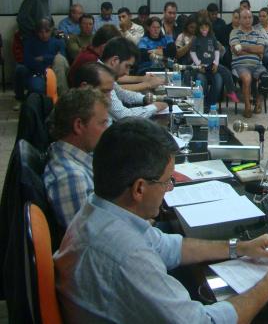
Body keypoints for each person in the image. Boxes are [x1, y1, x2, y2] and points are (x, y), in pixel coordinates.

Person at [53, 118, 268, 324]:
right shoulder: (127, 255)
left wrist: (240, 247)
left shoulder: (100, 208)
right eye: (166, 182)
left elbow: (168, 247)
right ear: (139, 188)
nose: (169, 189)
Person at [43, 87, 110, 229]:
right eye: (103, 123)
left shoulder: (60, 149)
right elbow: (89, 238)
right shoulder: (71, 178)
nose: (107, 130)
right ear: (79, 126)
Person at [102, 37, 168, 120]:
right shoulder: (100, 78)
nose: (127, 73)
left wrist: (148, 98)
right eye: (127, 66)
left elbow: (122, 94)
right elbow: (123, 116)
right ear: (114, 60)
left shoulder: (105, 73)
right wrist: (155, 107)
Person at [191, 19, 239, 108]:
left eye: (206, 27)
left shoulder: (212, 37)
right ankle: (203, 105)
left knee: (225, 71)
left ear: (209, 27)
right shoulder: (195, 38)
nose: (204, 29)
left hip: (212, 64)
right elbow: (192, 53)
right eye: (202, 27)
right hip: (200, 66)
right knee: (201, 81)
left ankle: (229, 91)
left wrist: (216, 63)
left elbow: (217, 51)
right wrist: (198, 64)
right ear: (198, 28)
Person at [230, 9, 268, 118]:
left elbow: (261, 49)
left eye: (250, 17)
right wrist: (254, 50)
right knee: (247, 78)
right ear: (240, 20)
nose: (248, 20)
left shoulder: (258, 33)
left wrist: (243, 47)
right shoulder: (234, 32)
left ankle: (258, 101)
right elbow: (236, 50)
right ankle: (247, 106)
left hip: (257, 65)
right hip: (240, 65)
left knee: (266, 78)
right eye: (245, 18)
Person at [16, 19, 67, 99]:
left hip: (55, 71)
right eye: (41, 32)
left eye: (47, 31)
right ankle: (22, 97)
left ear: (51, 30)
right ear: (36, 32)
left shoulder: (58, 42)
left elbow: (62, 58)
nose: (44, 35)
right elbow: (28, 61)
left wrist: (44, 58)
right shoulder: (30, 42)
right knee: (37, 88)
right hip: (37, 72)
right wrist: (50, 60)